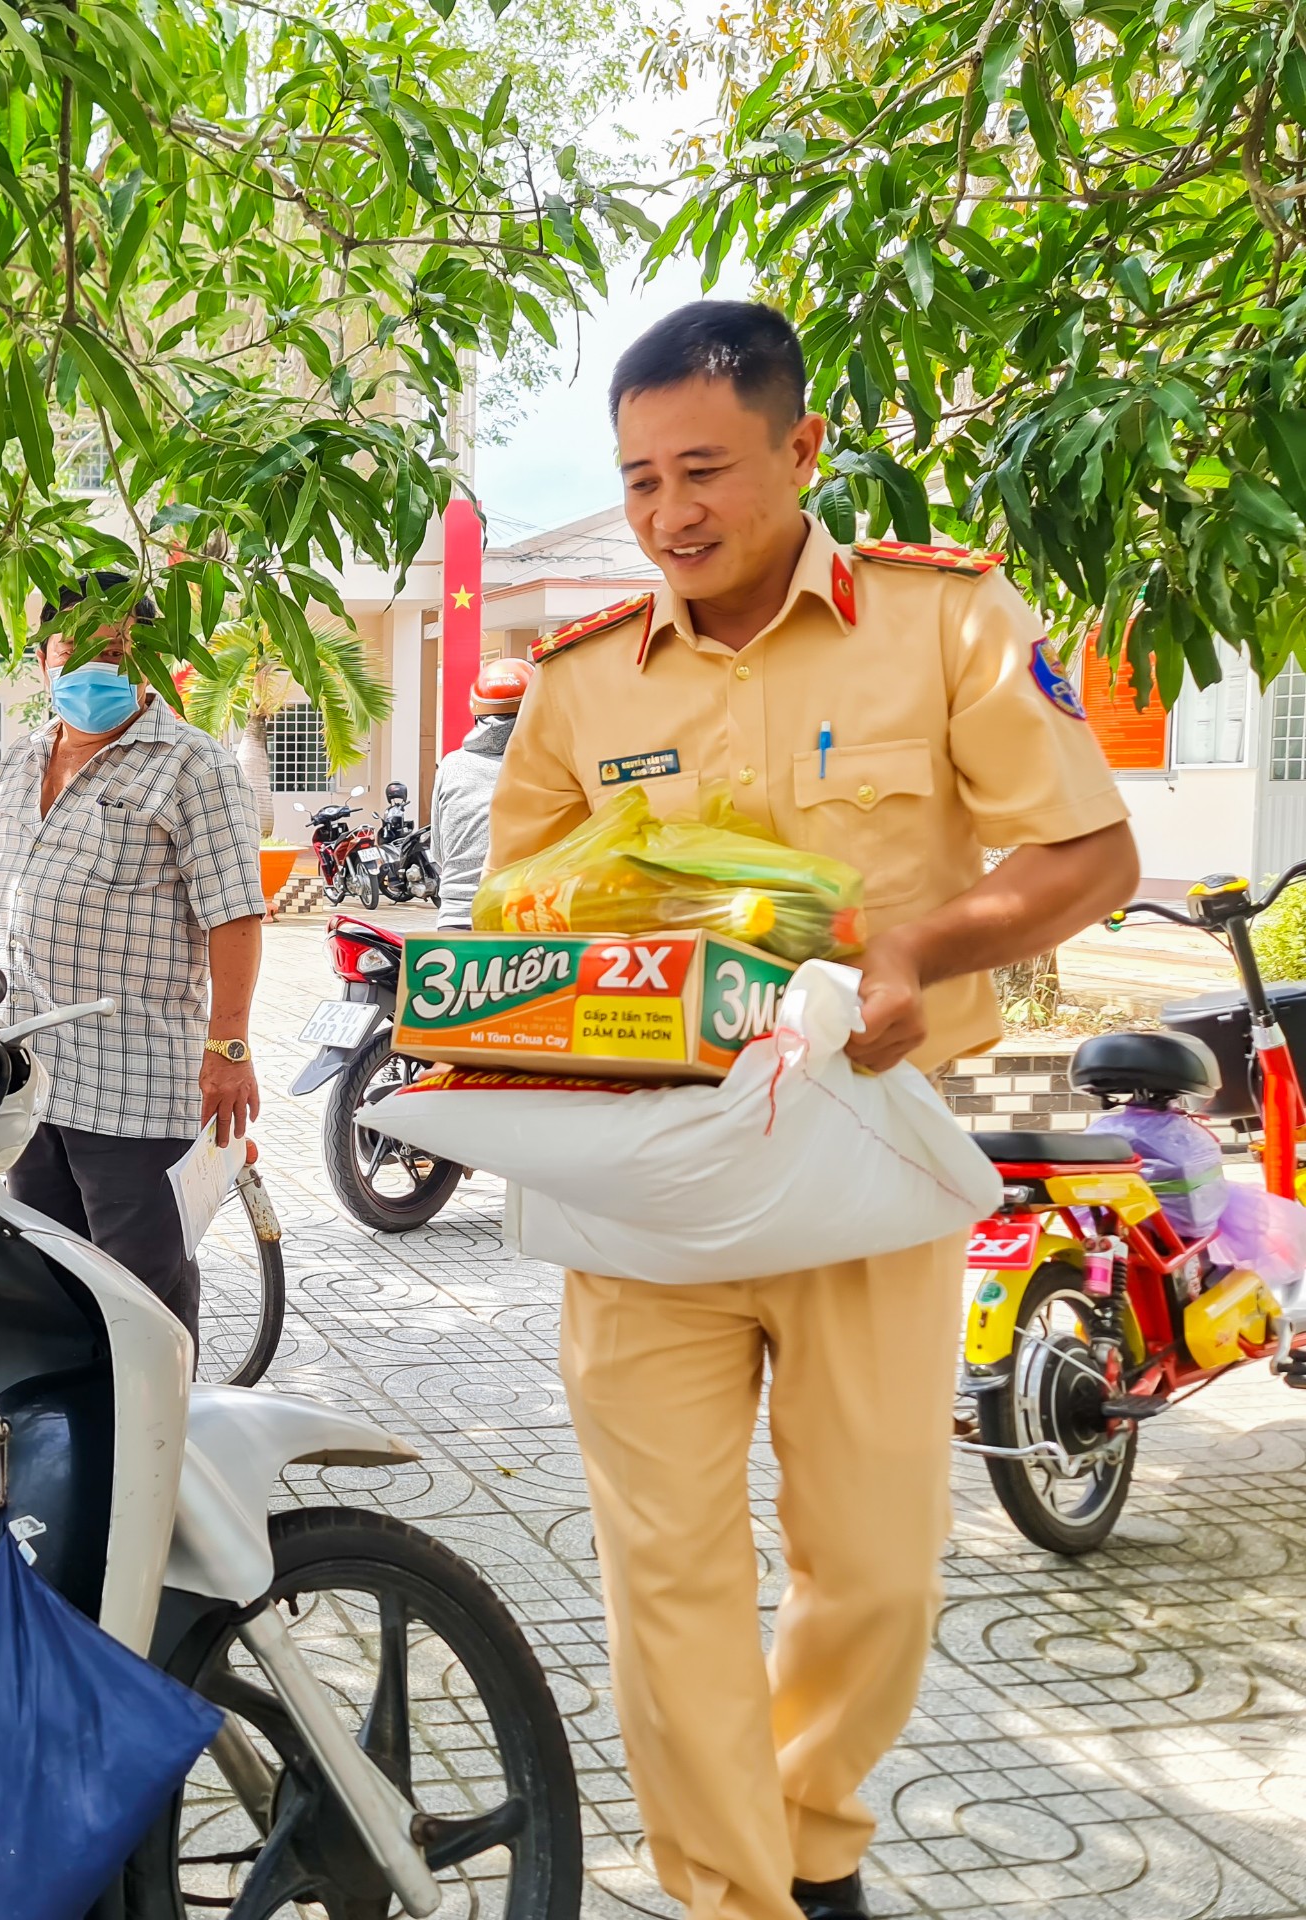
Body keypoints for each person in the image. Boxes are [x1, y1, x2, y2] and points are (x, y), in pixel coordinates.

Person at [490, 301, 1138, 1920]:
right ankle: (742, 1901)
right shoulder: (578, 685)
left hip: (864, 1163)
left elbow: (1090, 854)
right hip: (646, 1187)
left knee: (876, 1570)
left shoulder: (946, 620)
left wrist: (919, 945)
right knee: (670, 1577)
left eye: (702, 469)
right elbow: (511, 911)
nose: (667, 515)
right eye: (638, 481)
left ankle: (812, 1829)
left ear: (801, 451)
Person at [0, 576, 265, 1336]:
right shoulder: (23, 760)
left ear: (151, 662)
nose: (94, 667)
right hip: (30, 1077)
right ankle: (80, 1436)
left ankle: (155, 1443)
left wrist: (229, 1046)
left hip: (136, 1083)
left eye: (116, 650)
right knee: (49, 1275)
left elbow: (236, 916)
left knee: (139, 1291)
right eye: (74, 648)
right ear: (45, 659)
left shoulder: (194, 767)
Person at [431, 655, 534, 928]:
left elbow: (439, 852)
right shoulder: (545, 765)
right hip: (520, 921)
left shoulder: (452, 764)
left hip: (454, 918)